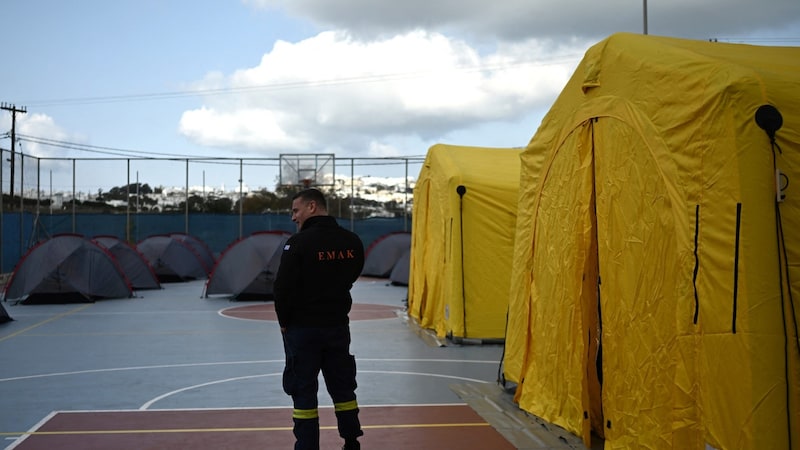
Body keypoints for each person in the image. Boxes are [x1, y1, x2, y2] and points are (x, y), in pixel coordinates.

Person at [273, 188, 365, 450]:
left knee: (303, 390)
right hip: (337, 326)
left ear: (312, 207)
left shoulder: (298, 243)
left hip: (302, 330)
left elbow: (282, 288)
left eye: (296, 210)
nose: (293, 217)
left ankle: (307, 445)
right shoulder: (352, 241)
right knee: (343, 387)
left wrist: (284, 321)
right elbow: (353, 273)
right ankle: (350, 439)